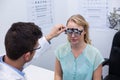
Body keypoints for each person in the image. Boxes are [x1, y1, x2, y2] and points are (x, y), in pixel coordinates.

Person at [0, 22, 65, 80]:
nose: (37, 50)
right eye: (37, 48)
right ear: (27, 56)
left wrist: (50, 35)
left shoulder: (11, 57)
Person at [54, 14, 104, 80]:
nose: (73, 36)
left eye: (77, 32)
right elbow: (58, 75)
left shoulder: (95, 55)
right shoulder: (60, 51)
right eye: (69, 31)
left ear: (85, 31)